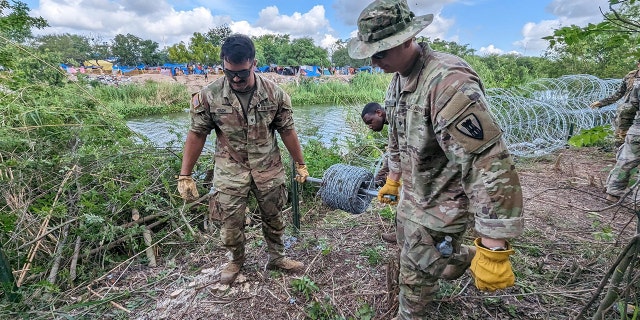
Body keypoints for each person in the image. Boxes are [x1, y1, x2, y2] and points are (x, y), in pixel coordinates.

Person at [348, 0, 524, 318]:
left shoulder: (447, 83)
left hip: (443, 206)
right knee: (422, 257)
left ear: (406, 39)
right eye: (370, 54)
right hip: (413, 199)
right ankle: (456, 256)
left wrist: (494, 242)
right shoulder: (398, 81)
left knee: (413, 290)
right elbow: (398, 140)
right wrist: (393, 179)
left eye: (380, 52)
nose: (374, 61)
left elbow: (486, 162)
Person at [177, 34, 310, 285]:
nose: (236, 78)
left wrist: (301, 163)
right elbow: (197, 134)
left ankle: (277, 257)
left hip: (268, 167)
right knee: (229, 221)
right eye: (230, 73)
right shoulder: (208, 96)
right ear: (223, 66)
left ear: (254, 63)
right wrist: (185, 174)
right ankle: (236, 260)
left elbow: (287, 130)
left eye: (242, 72)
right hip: (230, 170)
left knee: (274, 216)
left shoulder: (275, 94)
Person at [603, 63, 640, 203]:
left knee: (625, 161)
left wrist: (627, 128)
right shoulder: (630, 77)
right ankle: (637, 202)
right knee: (623, 159)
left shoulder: (637, 86)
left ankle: (613, 194)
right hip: (634, 129)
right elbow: (619, 94)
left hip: (636, 130)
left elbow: (631, 108)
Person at [361, 102, 396, 243]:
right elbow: (391, 157)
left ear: (379, 113)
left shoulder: (398, 118)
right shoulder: (392, 125)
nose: (370, 126)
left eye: (370, 121)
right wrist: (375, 182)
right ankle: (401, 233)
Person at [590, 58, 640, 146]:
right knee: (621, 136)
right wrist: (601, 102)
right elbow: (619, 93)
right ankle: (621, 156)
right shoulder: (630, 76)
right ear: (638, 64)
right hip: (626, 111)